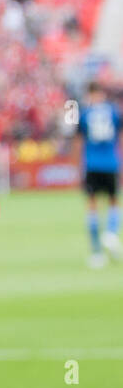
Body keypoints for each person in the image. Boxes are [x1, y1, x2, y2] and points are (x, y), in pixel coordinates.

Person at [77, 81, 121, 267]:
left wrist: (79, 165)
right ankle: (111, 233)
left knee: (92, 205)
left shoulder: (85, 113)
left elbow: (79, 140)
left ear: (90, 94)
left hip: (92, 163)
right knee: (113, 200)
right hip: (111, 163)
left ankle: (97, 253)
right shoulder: (113, 111)